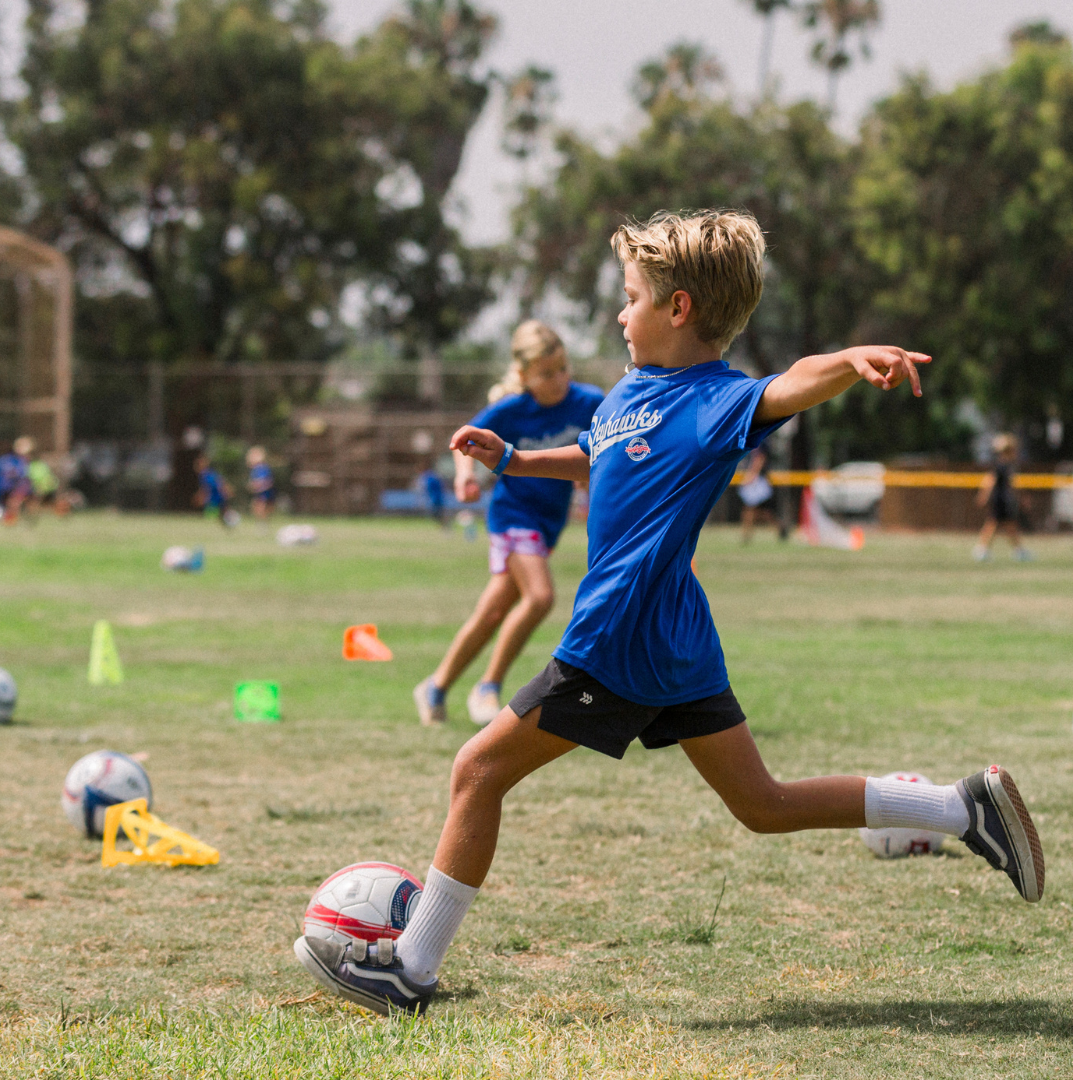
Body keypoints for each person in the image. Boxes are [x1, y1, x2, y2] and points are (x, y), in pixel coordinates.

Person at [294, 210, 1045, 1016]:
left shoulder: (715, 402)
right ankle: (958, 807)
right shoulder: (631, 391)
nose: (620, 314)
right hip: (678, 636)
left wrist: (851, 362)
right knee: (764, 804)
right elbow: (598, 458)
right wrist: (516, 460)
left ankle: (409, 970)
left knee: (477, 770)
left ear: (679, 308)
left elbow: (787, 383)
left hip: (621, 634)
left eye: (631, 298)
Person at [413, 321, 604, 727]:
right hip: (514, 518)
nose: (559, 380)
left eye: (564, 368)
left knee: (493, 611)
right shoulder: (512, 409)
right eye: (547, 374)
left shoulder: (588, 401)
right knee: (540, 597)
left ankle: (435, 686)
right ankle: (488, 686)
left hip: (548, 525)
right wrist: (465, 477)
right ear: (523, 376)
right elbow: (465, 440)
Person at [973, 434, 1030, 561]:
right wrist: (984, 496)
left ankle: (1018, 550)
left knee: (1007, 524)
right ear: (1008, 451)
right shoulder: (1001, 465)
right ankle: (982, 549)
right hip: (1000, 499)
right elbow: (990, 481)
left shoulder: (1007, 464)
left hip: (1003, 499)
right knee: (995, 523)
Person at [736, 447, 785, 542]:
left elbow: (760, 458)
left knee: (751, 509)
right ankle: (780, 527)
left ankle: (746, 535)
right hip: (758, 479)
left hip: (758, 481)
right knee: (759, 511)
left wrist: (752, 475)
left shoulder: (760, 442)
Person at [0, 437, 35, 524]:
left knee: (19, 502)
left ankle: (21, 519)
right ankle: (10, 519)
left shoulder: (25, 461)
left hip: (21, 485)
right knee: (12, 503)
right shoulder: (9, 459)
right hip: (10, 485)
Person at [193, 455, 234, 525]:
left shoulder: (207, 475)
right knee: (220, 514)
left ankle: (231, 521)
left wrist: (226, 491)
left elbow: (219, 483)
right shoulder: (206, 474)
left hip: (216, 497)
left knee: (216, 514)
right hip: (214, 497)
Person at [246, 446, 276, 522]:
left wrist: (257, 485)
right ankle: (262, 522)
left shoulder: (262, 468)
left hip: (264, 492)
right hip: (260, 492)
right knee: (257, 507)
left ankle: (263, 522)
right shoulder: (255, 469)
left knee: (262, 507)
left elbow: (266, 480)